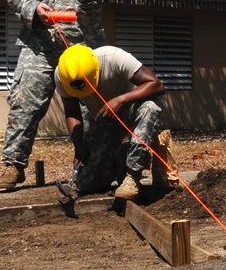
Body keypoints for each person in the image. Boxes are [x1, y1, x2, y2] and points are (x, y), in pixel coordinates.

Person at [0, 0, 128, 191]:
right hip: (39, 46)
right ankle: (12, 166)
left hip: (84, 49)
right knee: (24, 102)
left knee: (90, 112)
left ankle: (89, 169)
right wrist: (32, 9)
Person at [54, 43, 165, 202]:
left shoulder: (114, 58)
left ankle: (132, 177)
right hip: (103, 118)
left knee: (150, 107)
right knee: (88, 184)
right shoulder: (62, 76)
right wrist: (79, 146)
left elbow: (157, 85)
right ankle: (121, 158)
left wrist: (120, 100)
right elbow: (72, 112)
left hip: (132, 109)